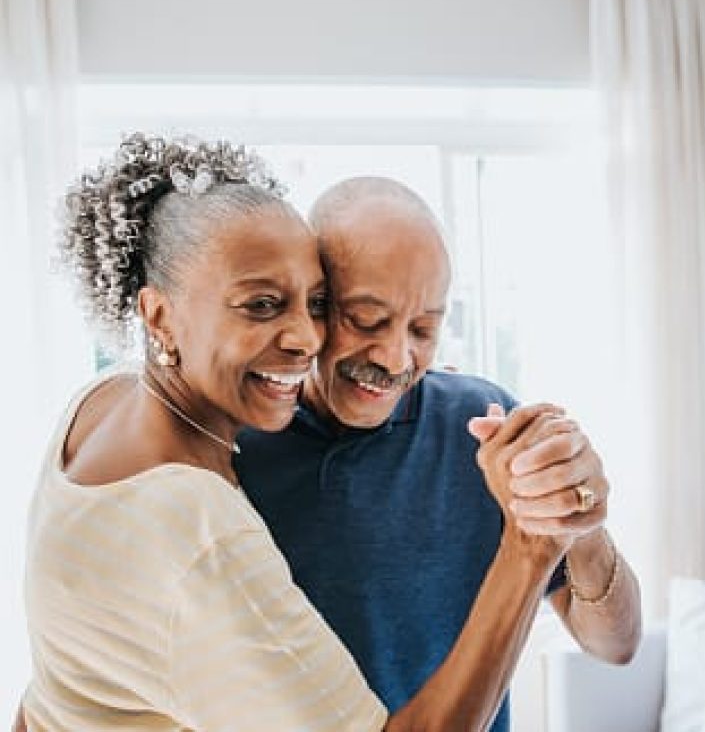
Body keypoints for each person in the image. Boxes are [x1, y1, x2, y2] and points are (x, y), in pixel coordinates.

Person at [18, 133, 578, 732]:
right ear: (159, 315)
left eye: (315, 304)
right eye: (261, 305)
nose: (307, 340)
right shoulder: (202, 529)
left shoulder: (98, 405)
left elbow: (54, 695)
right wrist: (529, 548)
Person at [236, 176, 643, 731]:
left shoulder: (483, 425)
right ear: (312, 302)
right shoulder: (234, 451)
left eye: (424, 329)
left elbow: (617, 646)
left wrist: (582, 522)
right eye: (367, 321)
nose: (396, 358)